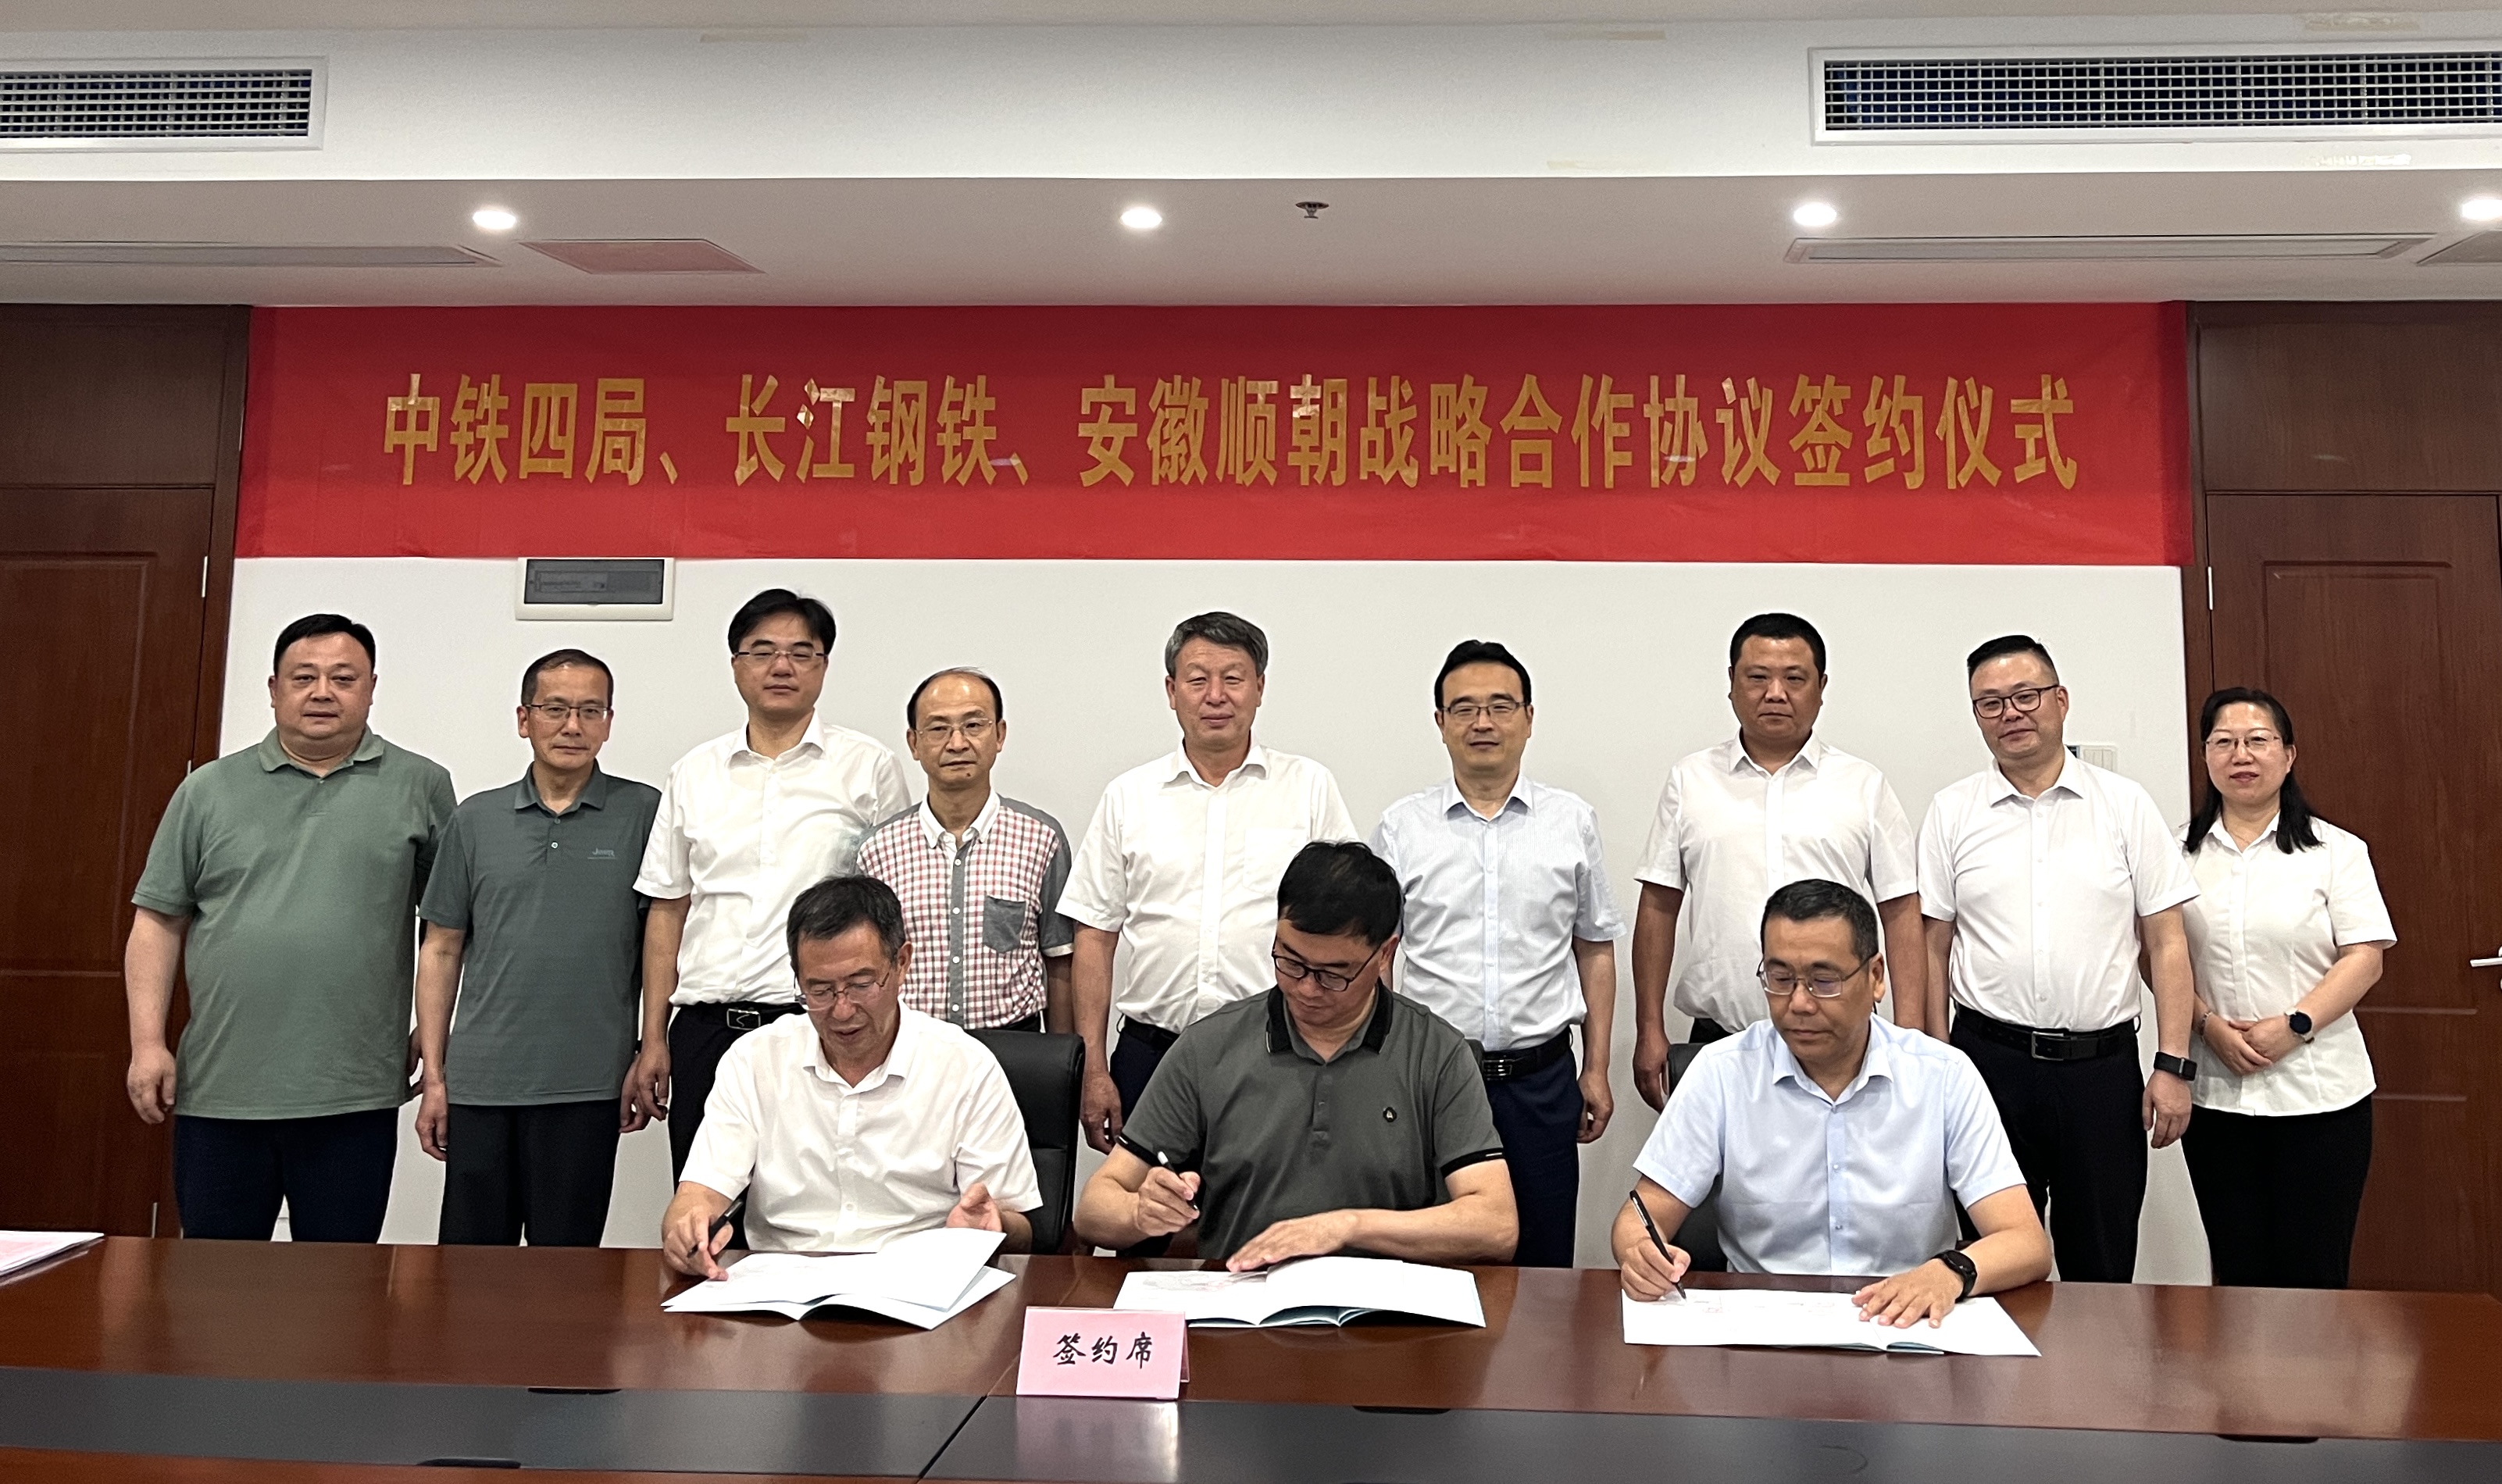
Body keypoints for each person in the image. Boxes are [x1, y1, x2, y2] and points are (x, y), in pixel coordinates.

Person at [123, 613, 455, 1241]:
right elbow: (157, 921)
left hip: (353, 1090)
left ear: (372, 689)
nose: (322, 692)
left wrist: (433, 1037)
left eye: (343, 678)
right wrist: (147, 1044)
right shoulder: (207, 790)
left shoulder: (422, 786)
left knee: (340, 1282)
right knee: (216, 1279)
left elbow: (446, 931)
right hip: (222, 1088)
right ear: (274, 689)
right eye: (304, 677)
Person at [1615, 879, 2050, 1325]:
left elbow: (2026, 1242)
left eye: (1824, 981)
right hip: (1763, 1328)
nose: (1799, 1003)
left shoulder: (1943, 1076)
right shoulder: (1722, 1072)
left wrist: (1950, 1272)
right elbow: (1640, 1217)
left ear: (1876, 977)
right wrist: (1642, 1254)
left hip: (1904, 1324)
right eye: (1780, 979)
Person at [1073, 841, 1517, 1268]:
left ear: (1385, 954)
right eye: (1291, 961)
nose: (1306, 988)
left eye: (1333, 974)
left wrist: (1347, 1227)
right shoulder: (1208, 1046)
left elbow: (1496, 1226)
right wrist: (1140, 1213)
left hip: (1383, 1305)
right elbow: (1094, 1210)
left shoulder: (1436, 1052)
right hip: (1241, 1295)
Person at [1917, 633, 2200, 1284]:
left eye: (2025, 696)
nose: (2010, 714)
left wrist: (2172, 1065)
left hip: (2099, 1073)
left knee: (2100, 1266)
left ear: (2060, 701)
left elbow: (2166, 941)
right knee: (1988, 1262)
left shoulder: (2124, 804)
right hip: (1987, 1068)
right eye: (1990, 703)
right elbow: (1932, 947)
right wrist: (1934, 1066)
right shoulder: (1951, 812)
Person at [626, 589, 910, 1207]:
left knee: (816, 1209)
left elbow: (890, 911)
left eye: (801, 653)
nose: (781, 667)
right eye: (762, 652)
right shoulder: (694, 772)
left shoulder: (869, 768)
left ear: (823, 666)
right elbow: (668, 910)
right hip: (705, 1031)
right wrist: (653, 1038)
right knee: (707, 1214)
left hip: (821, 1027)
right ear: (736, 665)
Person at [1061, 611, 1357, 1153]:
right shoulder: (1129, 797)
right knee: (1147, 1204)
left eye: (1233, 678)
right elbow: (1095, 937)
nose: (1216, 695)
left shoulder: (1308, 788)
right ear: (1172, 691)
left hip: (1280, 1053)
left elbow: (1350, 929)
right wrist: (1094, 1069)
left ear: (1259, 688)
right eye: (1198, 680)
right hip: (1152, 1055)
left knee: (1276, 1204)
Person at [1370, 639, 1622, 1267]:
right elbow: (1377, 957)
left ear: (1528, 718)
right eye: (1464, 708)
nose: (1482, 722)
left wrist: (1595, 1068)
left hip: (1540, 1084)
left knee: (1542, 1266)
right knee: (1432, 1263)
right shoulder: (1402, 828)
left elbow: (1594, 948)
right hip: (1431, 1082)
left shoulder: (1570, 821)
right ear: (1440, 723)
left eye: (1500, 706)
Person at [661, 875, 1040, 1277]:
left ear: (902, 963)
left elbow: (1021, 1228)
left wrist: (993, 1226)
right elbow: (697, 1197)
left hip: (920, 1283)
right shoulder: (754, 1060)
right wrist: (687, 1230)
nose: (842, 1011)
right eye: (820, 991)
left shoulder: (965, 1066)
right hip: (784, 1286)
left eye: (861, 985)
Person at [413, 649, 661, 1247]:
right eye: (555, 709)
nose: (572, 726)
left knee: (567, 1268)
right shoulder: (475, 819)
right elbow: (441, 948)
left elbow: (662, 944)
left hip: (588, 1083)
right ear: (524, 719)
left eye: (590, 711)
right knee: (470, 1271)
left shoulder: (645, 813)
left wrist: (651, 1044)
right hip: (481, 1083)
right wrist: (437, 1079)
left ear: (608, 722)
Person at [1629, 612, 1924, 1112]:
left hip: (1842, 1040)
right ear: (1732, 684)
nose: (1775, 693)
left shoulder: (1862, 785)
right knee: (1719, 1167)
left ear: (1821, 688)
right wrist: (1649, 1027)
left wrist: (1911, 1034)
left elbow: (1900, 910)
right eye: (1758, 677)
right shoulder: (1691, 780)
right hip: (1720, 1040)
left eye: (1794, 678)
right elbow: (1658, 906)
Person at [2179, 687, 2393, 1290]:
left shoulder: (2335, 852)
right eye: (2223, 742)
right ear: (2205, 755)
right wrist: (2206, 1025)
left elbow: (2364, 958)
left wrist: (2295, 1025)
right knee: (2238, 1275)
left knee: (2314, 1275)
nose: (2240, 755)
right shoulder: (2175, 854)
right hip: (2217, 1095)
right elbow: (2159, 960)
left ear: (2288, 753)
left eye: (2257, 740)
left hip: (2320, 1096)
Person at [855, 669, 1075, 1033]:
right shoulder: (876, 851)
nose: (957, 743)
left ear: (999, 734)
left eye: (974, 725)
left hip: (1013, 1045)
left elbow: (1060, 960)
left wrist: (1066, 1054)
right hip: (911, 1045)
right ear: (914, 743)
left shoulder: (1042, 839)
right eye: (938, 728)